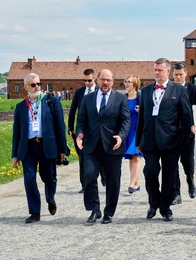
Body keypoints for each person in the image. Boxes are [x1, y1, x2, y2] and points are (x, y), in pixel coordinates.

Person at [135, 58, 192, 222]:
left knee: (169, 175)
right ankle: (154, 202)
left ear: (168, 71)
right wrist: (139, 141)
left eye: (160, 70)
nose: (157, 73)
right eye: (155, 70)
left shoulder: (178, 90)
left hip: (171, 140)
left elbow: (186, 117)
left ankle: (165, 207)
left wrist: (184, 140)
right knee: (150, 171)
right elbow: (141, 119)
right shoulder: (145, 91)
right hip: (150, 140)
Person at [76, 69, 130, 224]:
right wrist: (80, 133)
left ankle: (109, 212)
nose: (105, 83)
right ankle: (94, 210)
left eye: (109, 80)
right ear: (97, 80)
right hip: (91, 146)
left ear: (113, 81)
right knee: (89, 176)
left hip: (112, 145)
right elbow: (82, 120)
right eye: (103, 79)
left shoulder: (120, 99)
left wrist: (121, 136)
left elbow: (126, 121)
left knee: (113, 181)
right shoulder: (88, 99)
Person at [12, 73, 67, 223]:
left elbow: (60, 126)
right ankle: (35, 212)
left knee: (48, 176)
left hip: (46, 145)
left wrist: (62, 149)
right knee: (29, 178)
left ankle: (50, 198)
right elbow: (16, 132)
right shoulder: (21, 107)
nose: (37, 87)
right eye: (33, 85)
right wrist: (14, 155)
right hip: (28, 147)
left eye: (38, 84)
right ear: (25, 87)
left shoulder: (51, 101)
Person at [171, 63, 196, 205]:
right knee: (172, 163)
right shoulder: (169, 89)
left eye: (180, 74)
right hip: (171, 132)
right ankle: (176, 193)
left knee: (187, 161)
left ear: (185, 73)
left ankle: (190, 180)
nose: (178, 77)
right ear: (172, 74)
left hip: (188, 131)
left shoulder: (193, 90)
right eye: (176, 74)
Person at [68, 68, 99, 193]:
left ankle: (102, 175)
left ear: (94, 79)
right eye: (85, 80)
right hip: (81, 130)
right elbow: (72, 110)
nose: (87, 83)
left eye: (89, 80)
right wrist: (70, 128)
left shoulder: (100, 91)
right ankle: (84, 184)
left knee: (98, 156)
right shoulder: (80, 92)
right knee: (82, 158)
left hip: (96, 130)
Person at [123, 75, 143, 194]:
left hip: (138, 130)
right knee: (131, 157)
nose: (126, 84)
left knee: (136, 155)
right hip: (127, 131)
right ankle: (136, 183)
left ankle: (131, 184)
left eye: (129, 82)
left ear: (135, 84)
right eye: (125, 81)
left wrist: (141, 111)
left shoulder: (141, 98)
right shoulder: (123, 98)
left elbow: (149, 112)